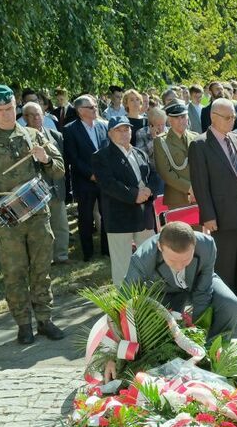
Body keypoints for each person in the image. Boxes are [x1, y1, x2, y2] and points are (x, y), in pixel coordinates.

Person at [0, 85, 66, 344]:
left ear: (16, 107)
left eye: (10, 109)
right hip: (8, 218)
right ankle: (23, 324)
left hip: (37, 214)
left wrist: (46, 160)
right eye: (0, 110)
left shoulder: (32, 135)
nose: (6, 114)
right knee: (14, 272)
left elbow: (59, 170)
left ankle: (45, 319)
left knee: (41, 269)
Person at [189, 98, 237, 310]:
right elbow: (200, 184)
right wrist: (208, 215)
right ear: (213, 117)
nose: (231, 121)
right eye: (227, 117)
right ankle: (225, 304)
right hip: (220, 212)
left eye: (233, 117)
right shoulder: (200, 144)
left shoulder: (236, 139)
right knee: (224, 261)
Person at [124, 220, 237, 345]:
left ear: (194, 245)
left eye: (185, 260)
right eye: (173, 261)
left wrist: (198, 332)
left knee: (230, 303)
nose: (179, 266)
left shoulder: (207, 245)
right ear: (159, 247)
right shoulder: (143, 258)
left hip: (198, 281)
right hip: (164, 291)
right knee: (162, 332)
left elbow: (203, 291)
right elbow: (126, 299)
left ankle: (215, 349)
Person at [94, 115, 159, 286]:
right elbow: (108, 184)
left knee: (151, 262)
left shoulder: (140, 153)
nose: (124, 133)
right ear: (109, 134)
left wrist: (149, 190)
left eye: (127, 129)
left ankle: (151, 303)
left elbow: (153, 175)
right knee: (122, 268)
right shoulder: (101, 156)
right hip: (120, 219)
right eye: (119, 130)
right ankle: (124, 309)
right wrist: (134, 194)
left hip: (145, 218)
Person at [22, 102, 70, 264]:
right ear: (24, 118)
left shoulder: (55, 135)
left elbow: (62, 161)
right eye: (32, 115)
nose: (37, 118)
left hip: (56, 186)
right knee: (40, 228)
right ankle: (44, 259)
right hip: (35, 190)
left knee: (61, 223)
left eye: (39, 114)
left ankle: (61, 255)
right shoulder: (22, 137)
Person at [62, 95, 109, 260]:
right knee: (86, 218)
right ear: (80, 110)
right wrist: (91, 175)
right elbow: (73, 159)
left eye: (95, 106)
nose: (95, 109)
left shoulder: (103, 126)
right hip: (84, 182)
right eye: (91, 107)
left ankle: (106, 250)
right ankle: (88, 253)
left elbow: (107, 152)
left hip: (104, 180)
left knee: (107, 215)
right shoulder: (70, 129)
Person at [154, 101, 196, 210]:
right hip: (177, 199)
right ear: (169, 120)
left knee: (201, 227)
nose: (181, 121)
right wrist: (190, 188)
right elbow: (165, 172)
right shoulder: (161, 141)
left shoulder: (196, 137)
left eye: (183, 117)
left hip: (200, 195)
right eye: (177, 118)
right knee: (179, 227)